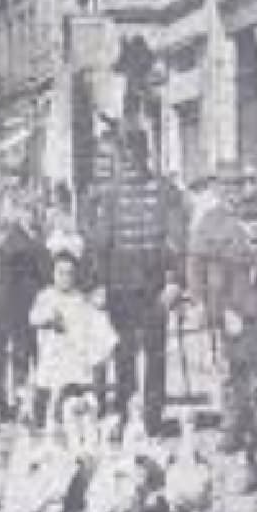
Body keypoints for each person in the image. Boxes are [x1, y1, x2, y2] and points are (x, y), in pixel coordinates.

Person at [96, 128, 183, 435]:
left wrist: (175, 281)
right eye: (125, 157)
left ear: (146, 155)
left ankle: (152, 419)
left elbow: (176, 241)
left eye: (135, 155)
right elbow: (102, 244)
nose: (130, 162)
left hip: (154, 287)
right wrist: (98, 284)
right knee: (123, 354)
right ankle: (124, 413)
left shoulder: (165, 191)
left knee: (155, 354)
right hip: (119, 288)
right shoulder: (110, 194)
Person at [187, 160, 257, 492]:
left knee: (253, 371)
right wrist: (199, 302)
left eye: (237, 184)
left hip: (250, 306)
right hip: (220, 305)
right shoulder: (208, 221)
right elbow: (194, 263)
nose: (232, 191)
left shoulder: (255, 214)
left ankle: (255, 428)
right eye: (226, 185)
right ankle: (232, 427)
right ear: (217, 188)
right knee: (227, 370)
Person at [0, 164, 44, 418]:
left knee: (24, 342)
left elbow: (41, 249)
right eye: (11, 183)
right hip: (0, 285)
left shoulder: (32, 212)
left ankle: (21, 394)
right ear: (4, 184)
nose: (15, 188)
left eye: (19, 183)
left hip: (25, 287)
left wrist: (30, 229)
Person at [29, 240, 118, 429]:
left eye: (69, 274)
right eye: (60, 273)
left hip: (74, 362)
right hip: (51, 361)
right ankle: (44, 418)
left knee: (77, 397)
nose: (64, 278)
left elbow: (98, 326)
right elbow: (34, 318)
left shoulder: (80, 299)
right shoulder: (46, 296)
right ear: (52, 274)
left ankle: (80, 415)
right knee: (45, 396)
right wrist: (49, 319)